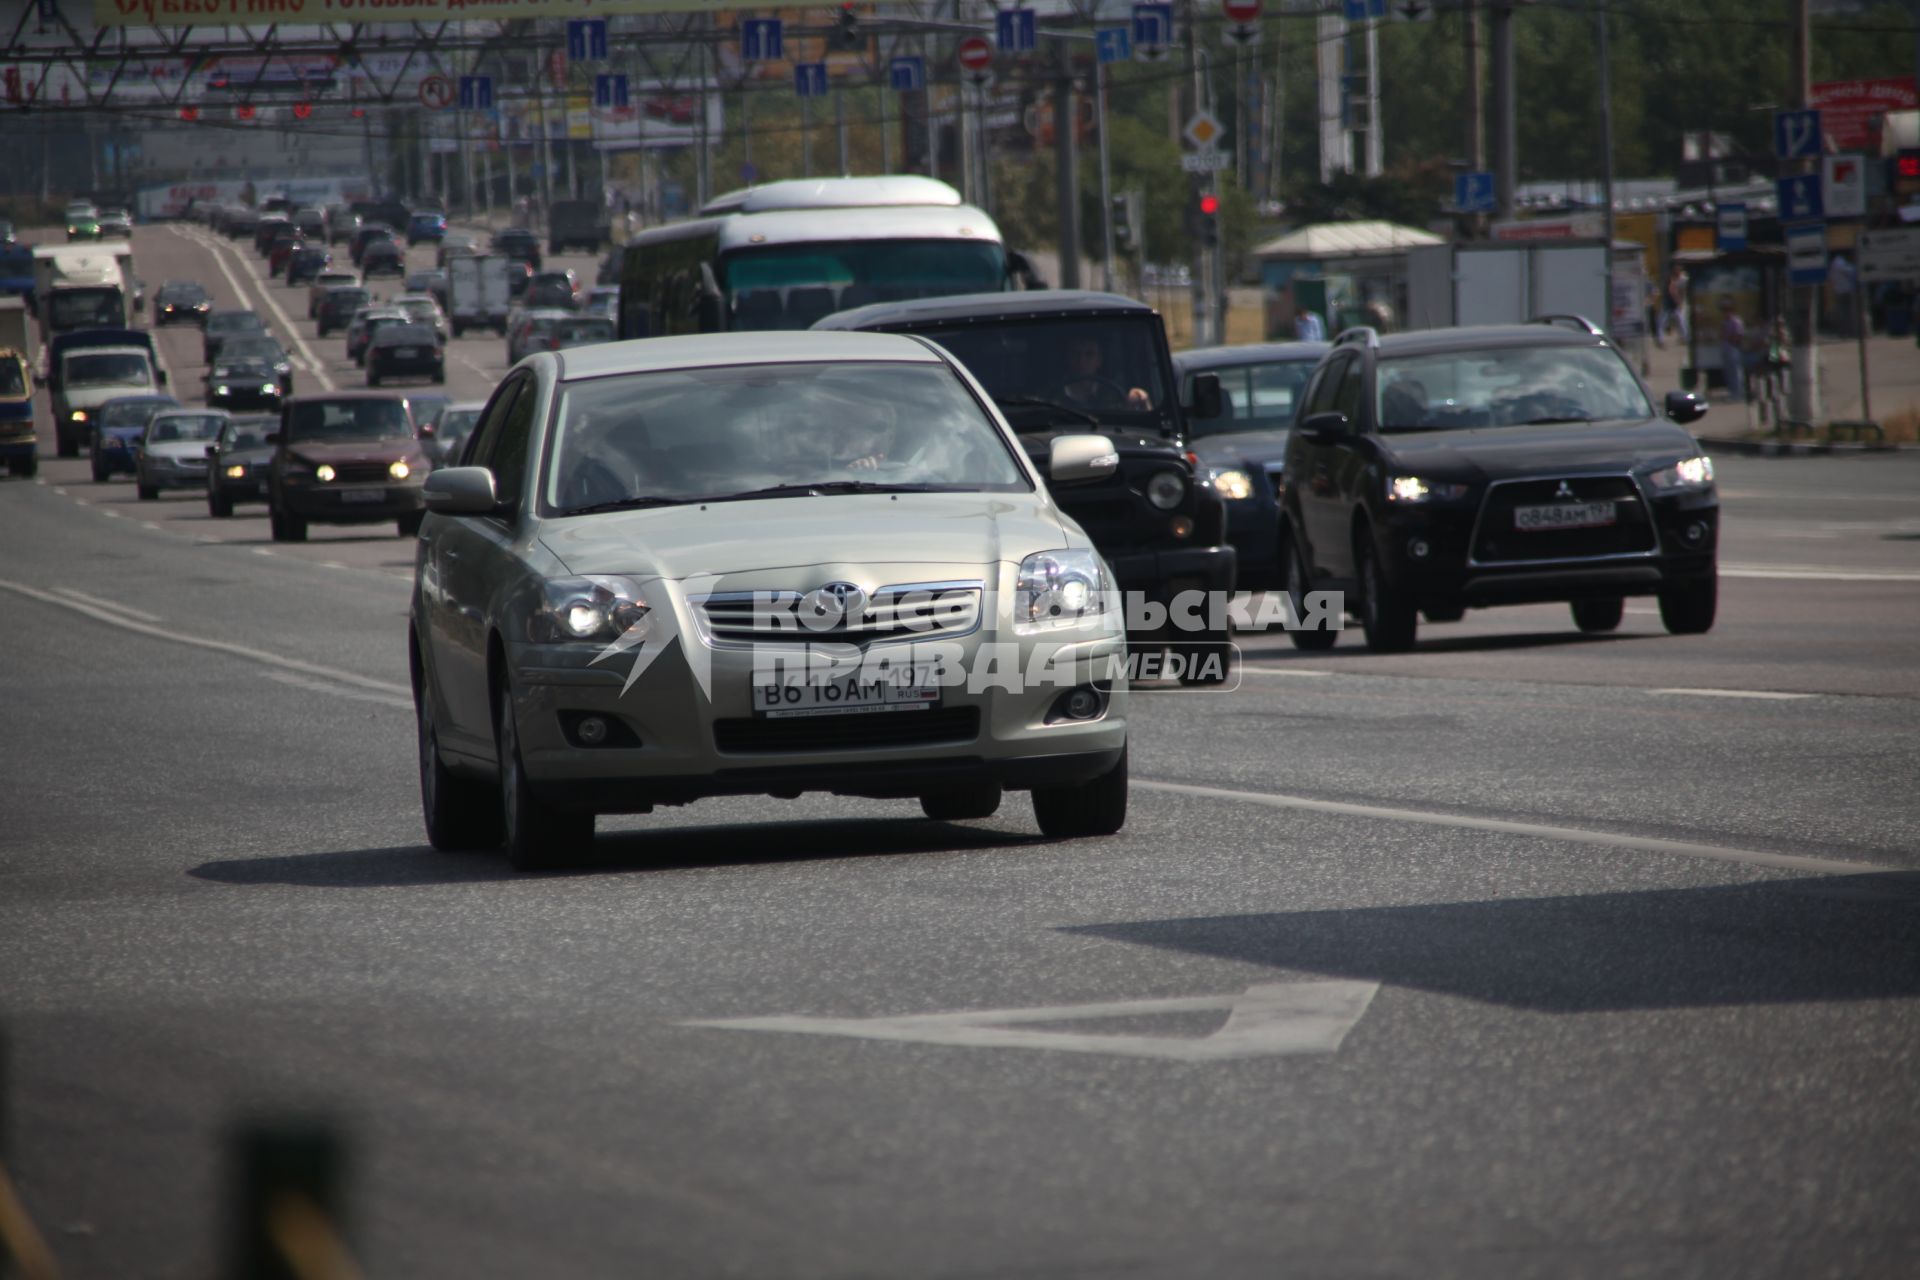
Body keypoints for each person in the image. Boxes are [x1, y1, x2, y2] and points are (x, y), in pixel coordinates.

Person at [1059, 336, 1150, 411]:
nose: (1081, 360)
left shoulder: (1115, 395)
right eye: (1075, 354)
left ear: (1099, 360)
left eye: (1089, 354)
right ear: (1068, 359)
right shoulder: (1053, 396)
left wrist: (1140, 399)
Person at [1717, 297, 1746, 403]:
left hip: (1734, 349)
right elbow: (1720, 335)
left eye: (1727, 310)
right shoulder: (1724, 322)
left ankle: (1738, 393)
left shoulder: (1736, 321)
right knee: (1728, 373)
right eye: (1724, 310)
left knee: (1736, 372)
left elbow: (1739, 335)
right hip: (1725, 349)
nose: (1725, 312)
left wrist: (1730, 339)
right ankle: (1732, 392)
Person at [1659, 262, 1690, 348]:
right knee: (1662, 322)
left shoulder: (1683, 279)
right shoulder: (1671, 278)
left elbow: (1683, 291)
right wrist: (1678, 300)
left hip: (1676, 304)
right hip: (1668, 303)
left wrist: (1680, 302)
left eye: (1678, 270)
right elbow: (1671, 290)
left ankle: (1685, 338)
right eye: (1676, 270)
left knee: (1682, 320)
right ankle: (1661, 340)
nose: (1677, 272)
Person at [1827, 250, 1858, 338]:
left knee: (1842, 312)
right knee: (1847, 312)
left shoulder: (1833, 265)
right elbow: (1851, 271)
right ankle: (1847, 331)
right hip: (1845, 290)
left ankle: (1843, 331)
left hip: (1839, 290)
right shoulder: (1839, 262)